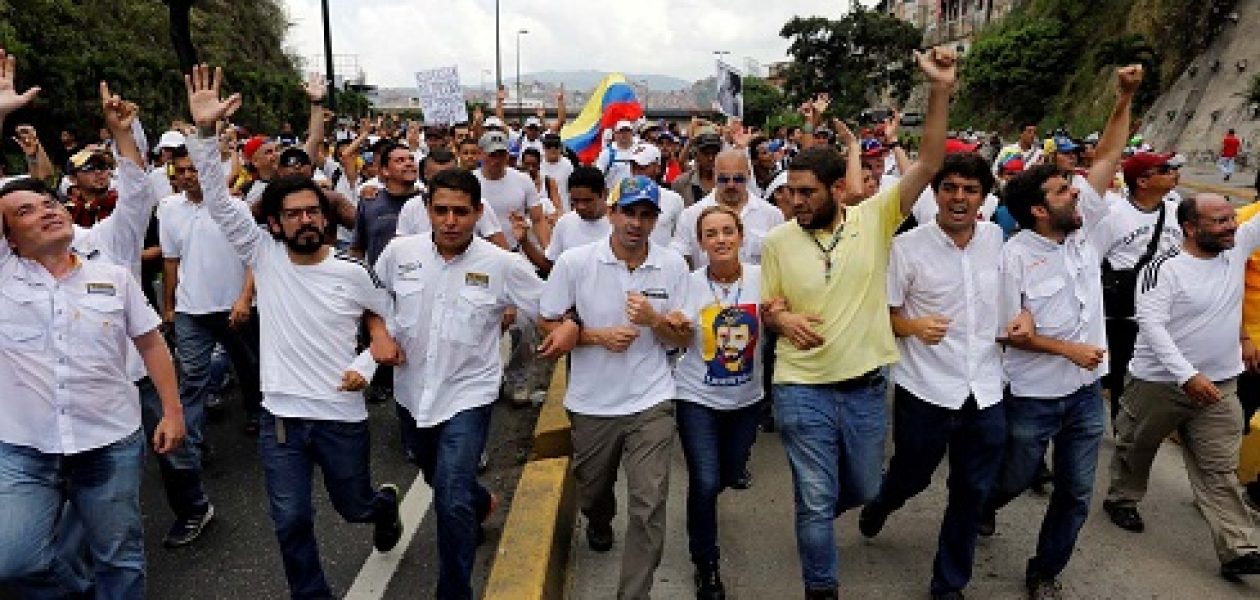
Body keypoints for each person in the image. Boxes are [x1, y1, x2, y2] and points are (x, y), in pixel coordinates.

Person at [182, 64, 404, 599]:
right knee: (290, 523)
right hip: (281, 417)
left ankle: (381, 508)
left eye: (313, 212)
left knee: (351, 505)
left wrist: (366, 364)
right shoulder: (262, 253)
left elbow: (391, 324)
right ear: (275, 224)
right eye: (293, 214)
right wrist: (208, 136)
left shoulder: (355, 274)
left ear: (325, 218)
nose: (305, 220)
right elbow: (217, 201)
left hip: (340, 416)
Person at [759, 46, 957, 599]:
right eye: (789, 192)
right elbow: (768, 308)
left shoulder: (875, 219)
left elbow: (929, 163)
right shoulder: (776, 241)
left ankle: (829, 512)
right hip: (800, 388)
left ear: (837, 191)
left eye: (806, 193)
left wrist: (939, 89)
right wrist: (783, 318)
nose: (794, 202)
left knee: (865, 485)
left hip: (867, 389)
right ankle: (821, 586)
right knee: (815, 498)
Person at [374, 167, 575, 599]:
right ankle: (481, 501)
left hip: (468, 393)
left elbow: (547, 305)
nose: (450, 220)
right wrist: (378, 334)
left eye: (460, 212)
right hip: (411, 393)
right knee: (435, 472)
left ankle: (454, 590)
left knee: (449, 499)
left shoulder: (502, 265)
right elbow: (373, 300)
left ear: (478, 213)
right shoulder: (398, 253)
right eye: (441, 210)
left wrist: (565, 327)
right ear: (427, 210)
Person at [984, 65, 1143, 600]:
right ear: (1037, 209)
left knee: (1075, 493)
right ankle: (982, 507)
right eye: (1062, 192)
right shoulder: (1014, 259)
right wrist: (1066, 348)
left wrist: (1124, 97)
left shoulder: (1083, 235)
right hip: (1032, 397)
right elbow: (1010, 334)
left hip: (1083, 398)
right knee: (1012, 477)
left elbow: (1108, 160)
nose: (1077, 195)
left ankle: (1044, 571)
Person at [856, 153, 1028, 599]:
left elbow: (1018, 296)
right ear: (935, 195)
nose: (959, 198)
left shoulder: (999, 241)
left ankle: (948, 584)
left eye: (970, 190)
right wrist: (913, 327)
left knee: (971, 492)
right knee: (912, 476)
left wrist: (1024, 316)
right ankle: (883, 502)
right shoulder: (907, 247)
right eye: (950, 188)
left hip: (986, 390)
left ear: (983, 199)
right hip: (926, 389)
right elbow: (883, 314)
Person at [539, 175, 693, 600]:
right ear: (612, 214)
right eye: (629, 212)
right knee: (593, 491)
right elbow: (548, 319)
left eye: (646, 215)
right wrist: (594, 336)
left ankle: (634, 594)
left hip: (653, 398)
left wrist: (656, 321)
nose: (636, 223)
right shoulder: (575, 262)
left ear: (655, 222)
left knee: (649, 504)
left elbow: (684, 339)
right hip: (592, 402)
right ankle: (600, 518)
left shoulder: (673, 266)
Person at [1103, 193, 1260, 580]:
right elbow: (1152, 326)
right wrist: (1186, 375)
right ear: (1191, 229)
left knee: (1220, 468)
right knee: (1136, 446)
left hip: (1221, 384)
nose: (1231, 226)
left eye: (1231, 218)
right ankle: (1122, 498)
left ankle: (1237, 547)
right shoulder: (1163, 269)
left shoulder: (1235, 246)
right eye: (1220, 221)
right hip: (1159, 383)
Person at [673, 206, 766, 599]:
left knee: (728, 475)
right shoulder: (687, 283)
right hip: (696, 397)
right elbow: (672, 335)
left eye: (728, 231)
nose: (721, 239)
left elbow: (781, 316)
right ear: (701, 243)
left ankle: (718, 486)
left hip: (747, 400)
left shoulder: (765, 279)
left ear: (741, 237)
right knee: (706, 482)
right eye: (712, 234)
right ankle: (706, 564)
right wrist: (670, 326)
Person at [1095, 152, 1185, 423]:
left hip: (1163, 313)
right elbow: (1091, 265)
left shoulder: (1176, 213)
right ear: (1143, 181)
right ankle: (1120, 435)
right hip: (1121, 316)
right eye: (1165, 169)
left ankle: (1128, 433)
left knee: (1142, 381)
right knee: (1116, 374)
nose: (1173, 172)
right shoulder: (1112, 216)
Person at [673, 148, 783, 268]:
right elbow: (678, 259)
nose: (731, 185)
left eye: (738, 179)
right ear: (714, 175)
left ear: (749, 175)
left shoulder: (772, 215)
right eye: (724, 179)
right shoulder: (690, 216)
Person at [515, 166, 608, 274]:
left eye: (587, 201)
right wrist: (524, 241)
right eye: (575, 201)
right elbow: (550, 266)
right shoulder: (565, 223)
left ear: (604, 194)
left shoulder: (618, 226)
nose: (581, 206)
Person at [672, 127, 721, 206]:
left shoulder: (728, 182)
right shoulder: (681, 183)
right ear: (696, 154)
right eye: (706, 153)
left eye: (715, 153)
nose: (710, 158)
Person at [596, 120, 638, 189]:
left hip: (635, 194)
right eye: (621, 131)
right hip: (613, 195)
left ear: (632, 133)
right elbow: (598, 175)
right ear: (615, 134)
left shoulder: (639, 150)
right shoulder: (607, 153)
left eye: (627, 131)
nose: (624, 134)